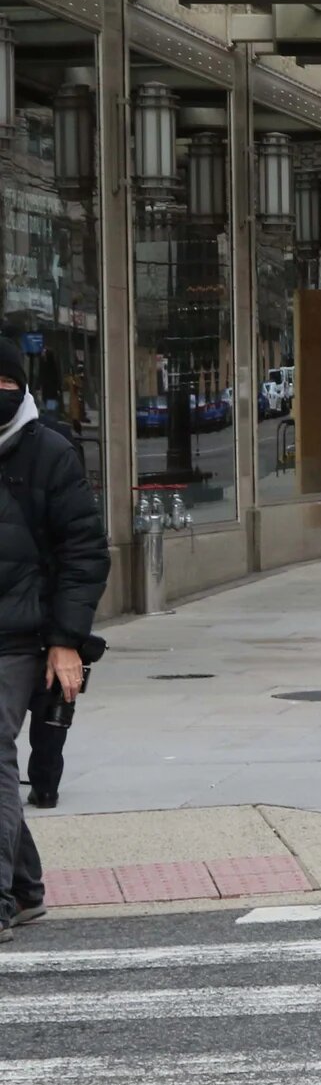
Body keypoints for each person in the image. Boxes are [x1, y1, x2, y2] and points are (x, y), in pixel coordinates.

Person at [0, 341, 107, 943]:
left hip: (21, 638)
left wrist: (66, 640)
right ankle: (25, 887)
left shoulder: (50, 453)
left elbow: (84, 553)